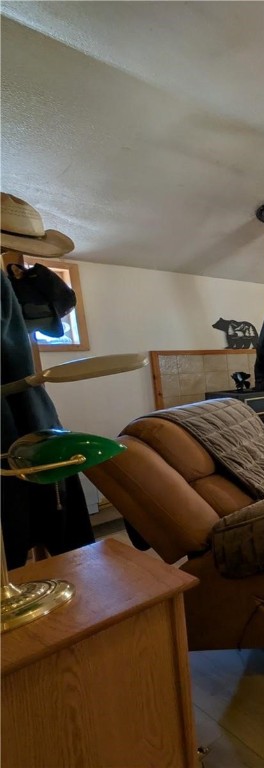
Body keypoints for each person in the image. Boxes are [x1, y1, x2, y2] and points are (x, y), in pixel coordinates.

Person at [1, 193, 94, 567]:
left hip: (24, 405)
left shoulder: (6, 282)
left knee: (46, 490)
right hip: (17, 411)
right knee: (36, 495)